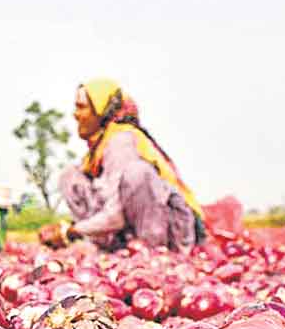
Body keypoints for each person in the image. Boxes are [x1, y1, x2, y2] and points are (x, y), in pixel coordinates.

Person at [40, 78, 205, 251]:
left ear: (101, 111)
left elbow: (116, 215)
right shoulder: (96, 151)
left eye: (81, 107)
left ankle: (153, 250)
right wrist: (69, 228)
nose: (75, 114)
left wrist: (71, 231)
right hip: (127, 229)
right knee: (71, 176)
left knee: (137, 173)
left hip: (172, 231)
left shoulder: (121, 141)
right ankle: (113, 247)